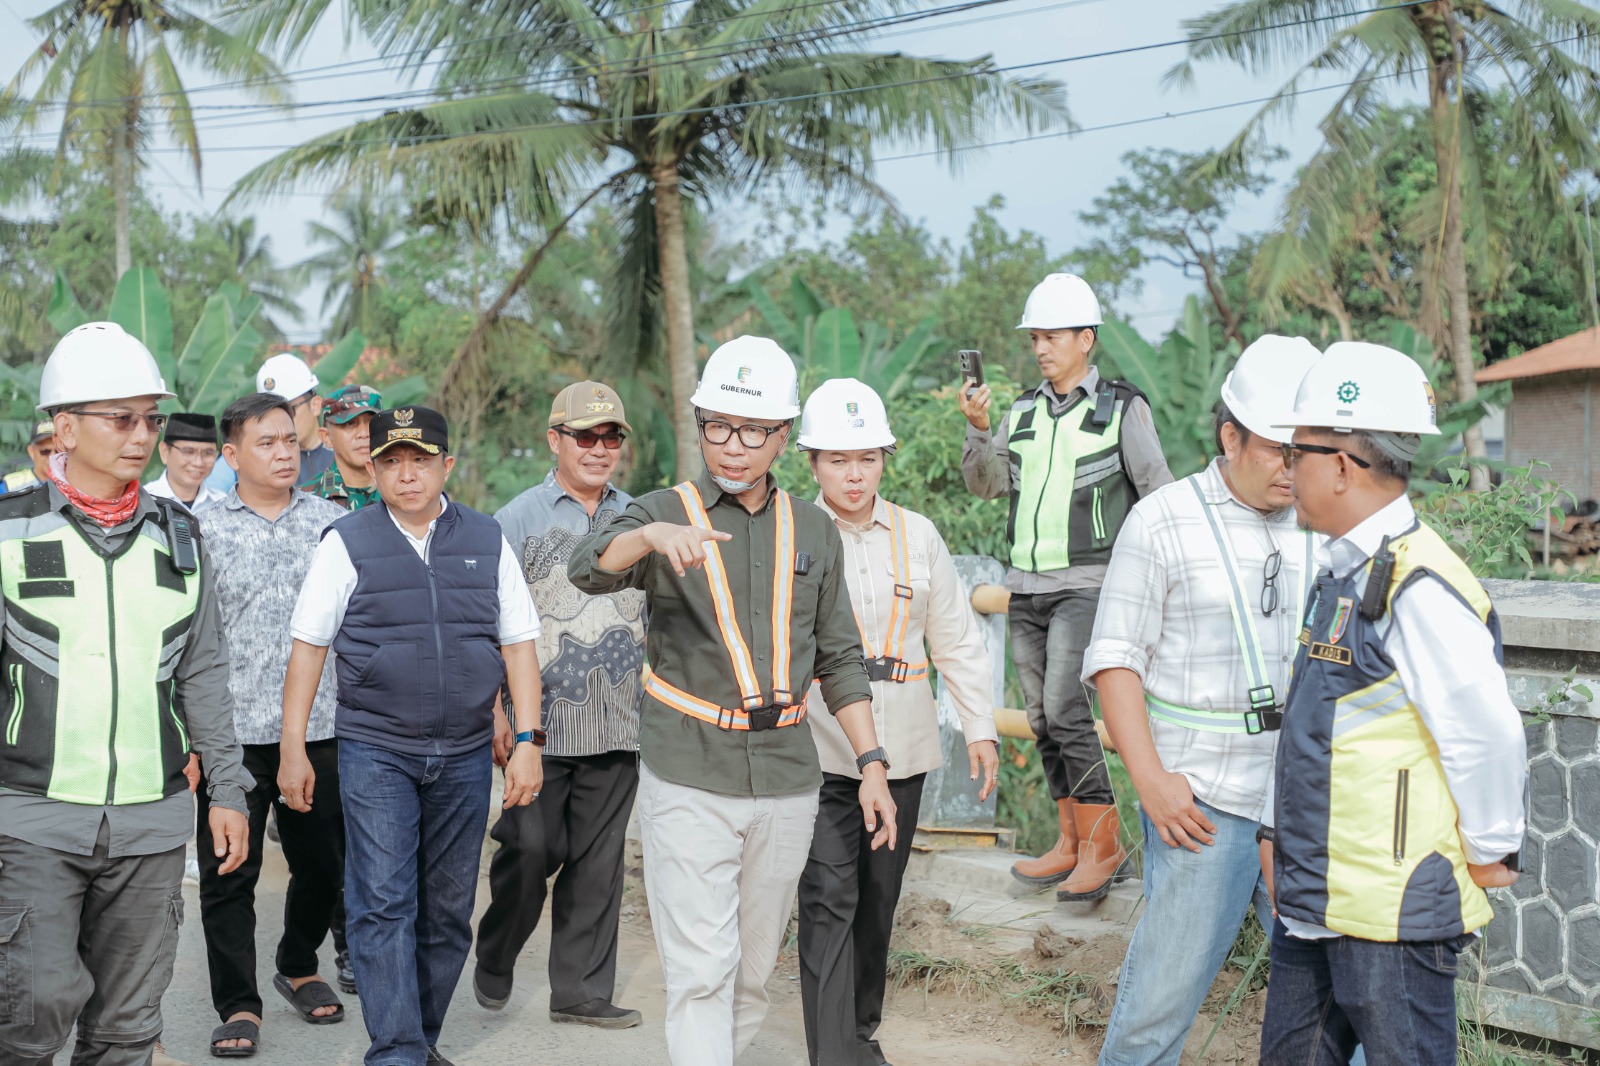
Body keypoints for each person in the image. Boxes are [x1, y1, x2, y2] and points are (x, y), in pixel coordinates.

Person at [568, 336, 897, 1066]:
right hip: (687, 772)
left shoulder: (813, 529)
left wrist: (872, 762)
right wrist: (649, 536)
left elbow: (840, 655)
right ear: (700, 423)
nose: (734, 447)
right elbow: (586, 566)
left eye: (752, 431)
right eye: (718, 425)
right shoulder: (662, 510)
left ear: (782, 436)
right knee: (701, 973)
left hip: (786, 775)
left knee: (750, 975)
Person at [1259, 342, 1527, 1065]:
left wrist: (1494, 845)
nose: (1286, 468)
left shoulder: (1422, 585)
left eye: (1297, 452)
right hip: (1318, 898)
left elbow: (1486, 734)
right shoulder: (1344, 573)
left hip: (1394, 912)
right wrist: (1275, 827)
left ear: (1342, 465)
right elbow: (1314, 723)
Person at [0, 321, 251, 1066]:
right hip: (31, 820)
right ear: (65, 428)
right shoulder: (9, 532)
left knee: (126, 1029)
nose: (142, 435)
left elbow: (203, 669)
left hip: (150, 822)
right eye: (121, 418)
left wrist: (229, 791)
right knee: (32, 1005)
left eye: (150, 418)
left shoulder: (180, 537)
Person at [278, 405, 545, 1066]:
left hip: (461, 755)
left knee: (449, 910)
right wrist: (292, 749)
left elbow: (519, 647)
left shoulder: (486, 539)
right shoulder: (347, 540)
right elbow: (308, 649)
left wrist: (530, 740)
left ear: (446, 465)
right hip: (376, 749)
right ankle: (395, 1051)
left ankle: (417, 1038)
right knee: (383, 904)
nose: (405, 474)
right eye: (391, 461)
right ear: (374, 467)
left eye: (420, 460)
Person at [1081, 337, 1321, 1066]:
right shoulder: (1163, 521)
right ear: (1230, 436)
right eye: (1279, 450)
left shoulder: (1326, 523)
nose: (1293, 468)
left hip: (1305, 800)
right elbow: (1116, 659)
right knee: (1159, 1004)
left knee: (1333, 1001)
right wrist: (1152, 783)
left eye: (1305, 452)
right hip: (1203, 802)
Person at [794, 377, 1000, 1066]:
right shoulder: (794, 529)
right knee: (829, 896)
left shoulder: (918, 535)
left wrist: (980, 727)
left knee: (877, 904)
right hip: (820, 751)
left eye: (867, 459)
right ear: (814, 464)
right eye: (837, 460)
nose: (854, 475)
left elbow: (956, 640)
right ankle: (832, 1052)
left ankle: (859, 1032)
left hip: (905, 751)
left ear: (886, 458)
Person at [961, 272, 1173, 901]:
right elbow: (986, 484)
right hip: (1025, 585)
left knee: (1064, 706)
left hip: (1091, 584)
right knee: (1038, 717)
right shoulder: (1021, 411)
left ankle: (1104, 845)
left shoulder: (1123, 408)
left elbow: (1158, 492)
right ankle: (1071, 840)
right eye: (1035, 338)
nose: (1040, 348)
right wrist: (977, 427)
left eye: (1052, 336)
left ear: (1086, 339)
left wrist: (1158, 580)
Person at [473, 380, 647, 1028]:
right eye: (586, 436)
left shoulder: (639, 517)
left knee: (599, 867)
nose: (600, 448)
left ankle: (579, 992)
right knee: (530, 851)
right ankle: (496, 948)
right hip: (537, 727)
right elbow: (487, 621)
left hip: (620, 721)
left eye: (611, 437)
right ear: (555, 440)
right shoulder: (516, 520)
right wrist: (497, 711)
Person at [193, 393, 352, 1057]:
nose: (284, 452)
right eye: (266, 443)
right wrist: (190, 740)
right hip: (228, 734)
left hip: (317, 727)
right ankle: (238, 1003)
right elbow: (185, 642)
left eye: (290, 439)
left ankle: (296, 961)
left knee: (326, 864)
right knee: (230, 872)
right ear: (232, 455)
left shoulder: (332, 524)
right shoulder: (198, 526)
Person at [257, 351, 334, 483]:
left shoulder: (344, 454)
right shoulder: (263, 465)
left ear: (315, 405)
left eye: (289, 410)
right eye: (270, 413)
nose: (281, 420)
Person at [303, 384, 382, 510]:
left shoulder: (404, 490)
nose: (364, 433)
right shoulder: (306, 500)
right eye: (350, 423)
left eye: (371, 422)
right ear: (327, 437)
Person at [146, 412, 227, 510]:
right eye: (188, 452)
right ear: (165, 451)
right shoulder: (144, 501)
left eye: (208, 453)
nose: (198, 463)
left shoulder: (223, 505)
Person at [2, 419, 58, 492]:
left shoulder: (75, 482)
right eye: (45, 451)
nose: (52, 456)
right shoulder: (10, 485)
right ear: (31, 451)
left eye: (58, 451)